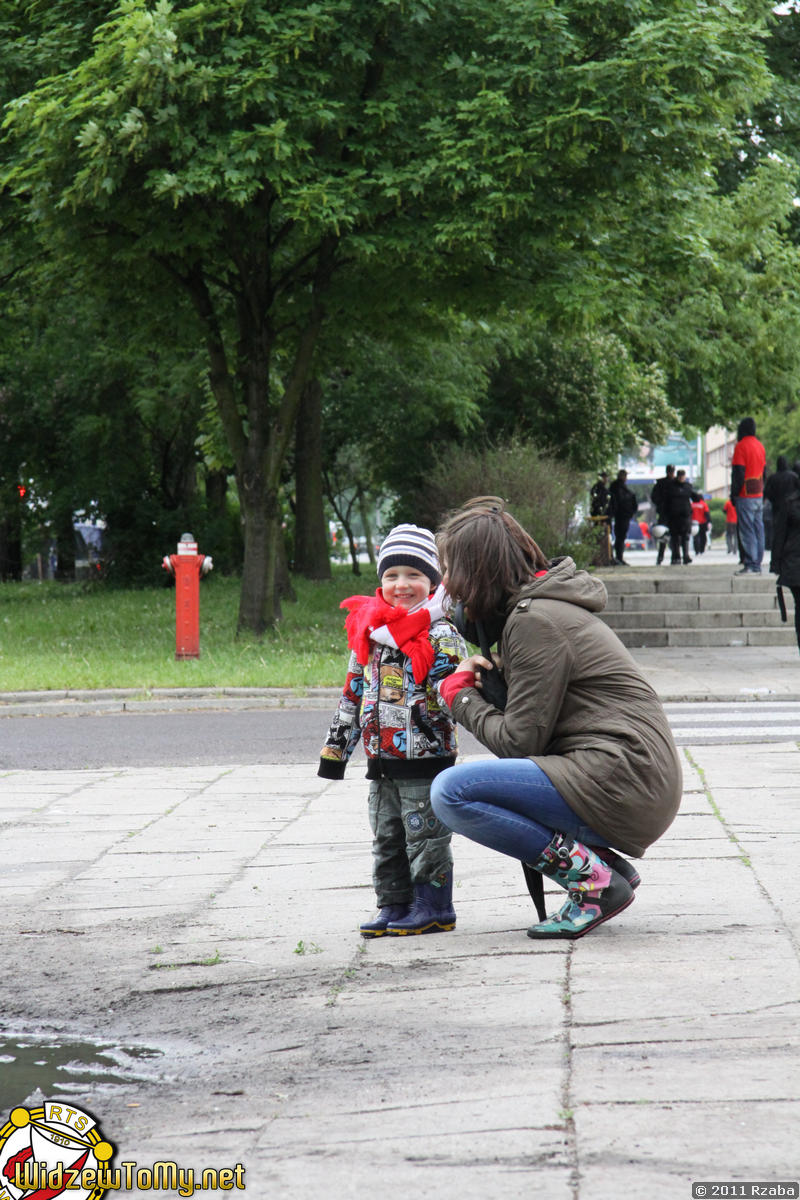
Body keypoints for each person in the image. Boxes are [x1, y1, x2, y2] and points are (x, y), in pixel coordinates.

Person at [430, 497, 682, 941]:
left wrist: (460, 698)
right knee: (473, 788)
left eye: (450, 570)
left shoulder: (535, 622)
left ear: (478, 571)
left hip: (625, 779)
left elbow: (519, 743)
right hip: (632, 777)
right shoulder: (535, 611)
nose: (446, 585)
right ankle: (607, 866)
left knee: (452, 793)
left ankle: (593, 882)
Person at [318, 524, 467, 937]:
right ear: (380, 582)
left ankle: (434, 905)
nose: (402, 584)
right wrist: (335, 751)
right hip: (380, 759)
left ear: (433, 582)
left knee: (425, 836)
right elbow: (352, 693)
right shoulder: (367, 633)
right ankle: (393, 903)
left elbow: (452, 687)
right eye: (392, 575)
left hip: (426, 757)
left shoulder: (442, 633)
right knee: (386, 836)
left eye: (414, 575)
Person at [769, 468, 800, 655]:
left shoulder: (789, 504)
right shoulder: (789, 504)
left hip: (792, 563)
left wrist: (776, 564)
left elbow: (779, 535)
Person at [730, 417, 766, 574]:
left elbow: (738, 472)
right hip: (758, 492)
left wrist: (734, 493)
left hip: (745, 494)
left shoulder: (741, 446)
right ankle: (758, 562)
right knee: (759, 528)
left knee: (747, 529)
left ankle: (751, 563)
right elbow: (764, 471)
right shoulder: (760, 446)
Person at [666, 469, 701, 564]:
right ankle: (676, 556)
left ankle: (686, 556)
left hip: (685, 516)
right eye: (680, 476)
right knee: (675, 537)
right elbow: (665, 500)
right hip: (674, 516)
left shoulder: (688, 487)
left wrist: (699, 496)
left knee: (685, 536)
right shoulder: (671, 487)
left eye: (683, 476)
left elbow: (694, 497)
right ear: (677, 476)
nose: (681, 478)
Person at [607, 469, 639, 566]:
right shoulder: (616, 487)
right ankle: (618, 557)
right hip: (620, 515)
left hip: (624, 516)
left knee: (621, 537)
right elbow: (619, 501)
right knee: (620, 537)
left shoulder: (622, 488)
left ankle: (619, 557)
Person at [650, 465, 675, 565]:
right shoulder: (661, 484)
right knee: (663, 536)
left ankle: (675, 556)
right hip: (664, 513)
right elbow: (654, 497)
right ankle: (660, 557)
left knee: (675, 537)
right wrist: (661, 505)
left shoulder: (675, 483)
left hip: (674, 513)